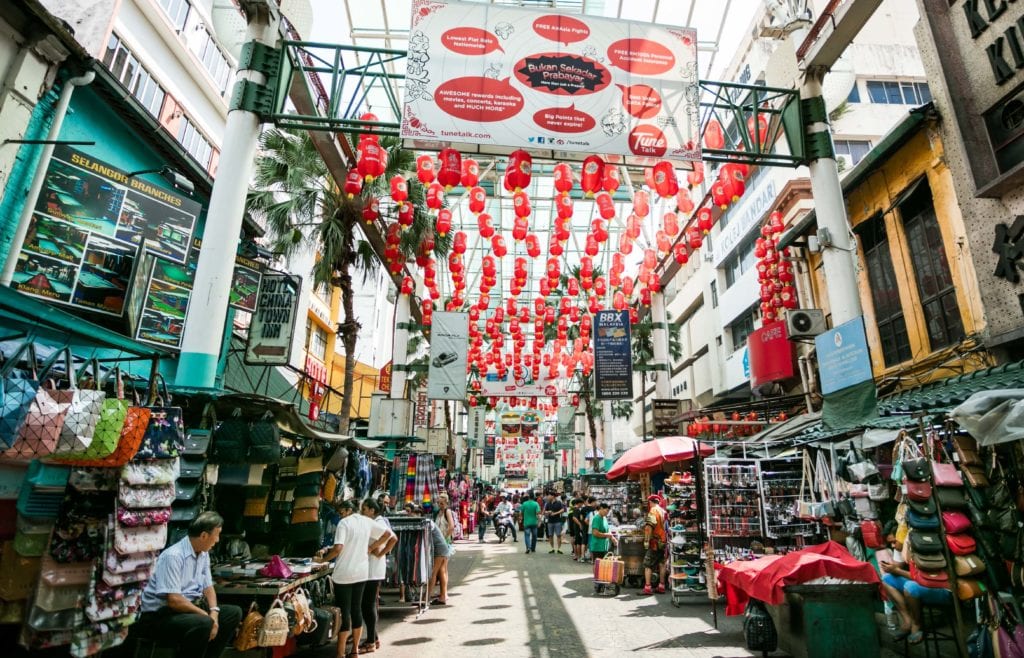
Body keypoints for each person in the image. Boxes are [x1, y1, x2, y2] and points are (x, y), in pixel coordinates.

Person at [137, 512, 242, 658]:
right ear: (204, 536)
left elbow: (208, 587)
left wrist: (214, 612)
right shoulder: (173, 556)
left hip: (187, 610)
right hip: (160, 616)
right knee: (204, 622)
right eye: (217, 535)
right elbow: (174, 600)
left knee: (232, 613)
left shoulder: (203, 554)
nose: (218, 540)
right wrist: (208, 617)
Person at [315, 500, 389, 658]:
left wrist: (323, 560)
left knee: (345, 612)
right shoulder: (367, 521)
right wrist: (371, 548)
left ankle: (340, 652)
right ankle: (354, 650)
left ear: (348, 510)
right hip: (362, 573)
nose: (340, 515)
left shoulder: (344, 523)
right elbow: (387, 535)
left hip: (344, 574)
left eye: (341, 512)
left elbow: (338, 548)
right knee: (356, 610)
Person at [879, 529, 951, 644]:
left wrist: (897, 570)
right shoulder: (903, 544)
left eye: (894, 542)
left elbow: (926, 578)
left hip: (941, 587)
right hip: (921, 583)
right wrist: (892, 568)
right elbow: (897, 568)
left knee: (910, 586)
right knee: (886, 579)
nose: (893, 546)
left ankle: (917, 623)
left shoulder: (922, 543)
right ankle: (908, 620)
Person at [360, 499, 397, 654]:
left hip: (373, 570)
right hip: (370, 569)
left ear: (372, 511)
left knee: (367, 605)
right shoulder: (375, 521)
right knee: (367, 605)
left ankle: (371, 641)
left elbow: (392, 538)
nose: (362, 512)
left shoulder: (378, 522)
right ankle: (373, 637)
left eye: (364, 509)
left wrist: (375, 550)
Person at [417, 505, 454, 605]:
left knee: (433, 573)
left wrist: (446, 538)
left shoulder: (426, 523)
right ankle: (443, 596)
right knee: (441, 572)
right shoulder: (428, 521)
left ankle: (427, 597)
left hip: (441, 549)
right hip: (441, 548)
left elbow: (451, 526)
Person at [643, 495, 668, 595]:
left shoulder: (653, 511)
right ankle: (661, 586)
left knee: (647, 564)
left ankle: (648, 587)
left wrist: (646, 540)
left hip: (655, 542)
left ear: (650, 502)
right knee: (662, 564)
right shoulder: (663, 511)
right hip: (663, 541)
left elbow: (649, 527)